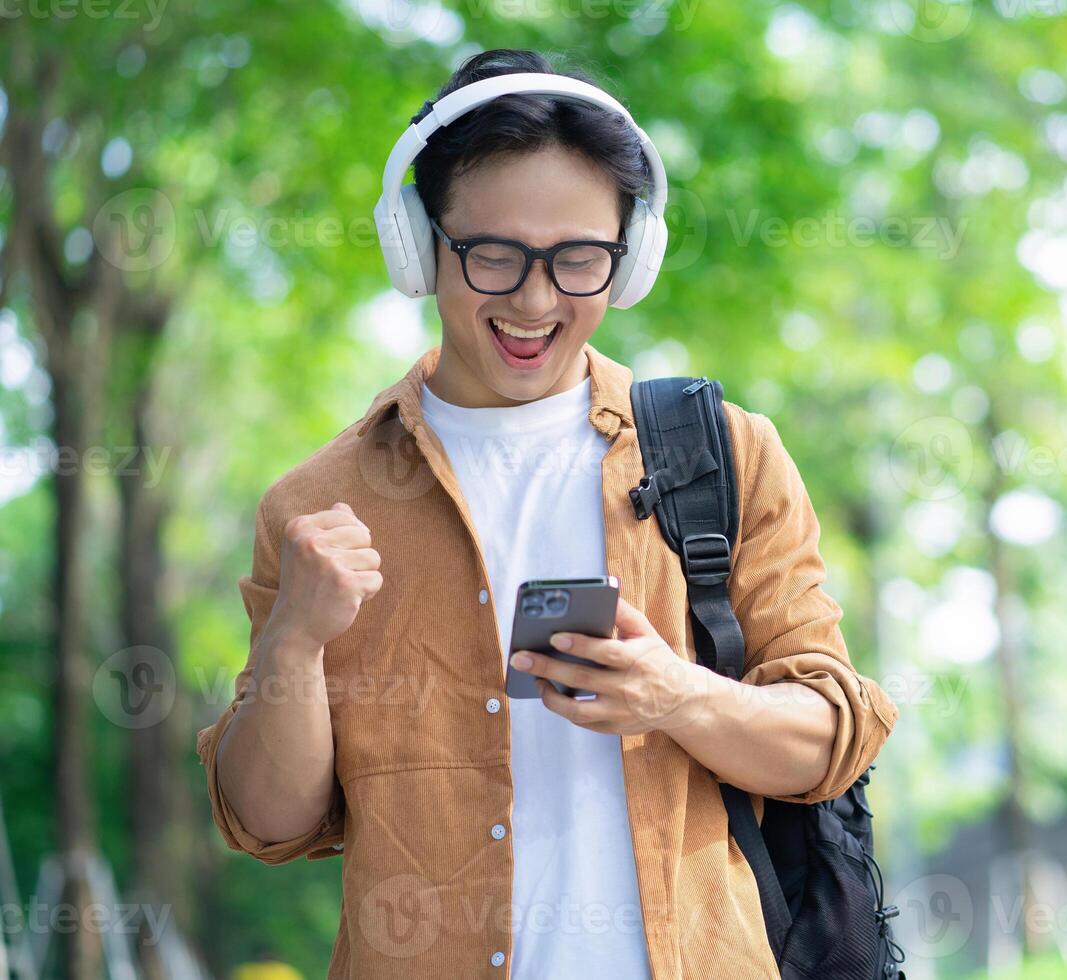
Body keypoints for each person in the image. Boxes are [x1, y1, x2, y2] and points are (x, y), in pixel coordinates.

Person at [196, 48, 898, 979]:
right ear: (416, 242)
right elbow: (268, 822)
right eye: (492, 255)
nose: (534, 301)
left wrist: (675, 693)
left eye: (579, 261)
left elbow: (829, 742)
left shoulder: (721, 456)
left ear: (631, 256)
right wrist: (292, 645)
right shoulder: (319, 506)